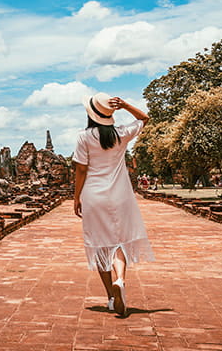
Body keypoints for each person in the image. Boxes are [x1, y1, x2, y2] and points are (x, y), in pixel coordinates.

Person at [73, 93, 155, 317]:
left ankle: (111, 296)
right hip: (120, 195)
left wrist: (76, 197)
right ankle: (120, 279)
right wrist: (125, 105)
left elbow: (80, 169)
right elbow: (145, 118)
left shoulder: (84, 137)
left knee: (100, 245)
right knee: (119, 242)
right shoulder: (121, 134)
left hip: (94, 195)